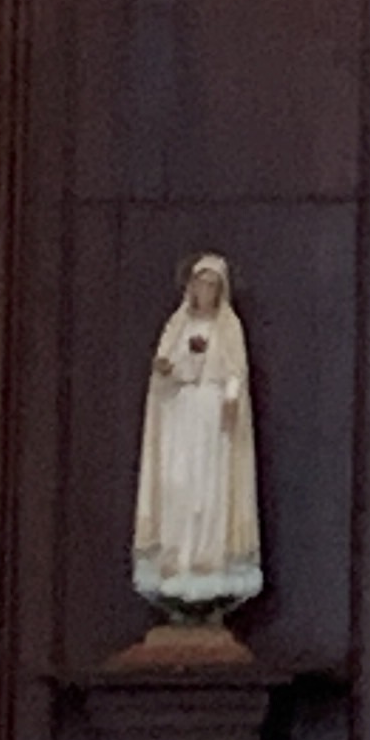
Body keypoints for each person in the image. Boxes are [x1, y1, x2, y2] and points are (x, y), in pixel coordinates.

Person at [132, 253, 264, 616]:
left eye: (211, 286)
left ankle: (207, 557)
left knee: (208, 488)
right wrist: (168, 370)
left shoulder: (228, 327)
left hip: (211, 418)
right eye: (199, 284)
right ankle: (176, 556)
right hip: (180, 416)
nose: (204, 292)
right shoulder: (178, 325)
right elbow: (166, 369)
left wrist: (231, 398)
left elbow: (235, 370)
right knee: (178, 483)